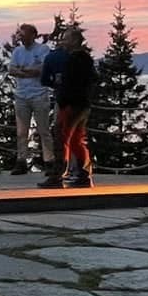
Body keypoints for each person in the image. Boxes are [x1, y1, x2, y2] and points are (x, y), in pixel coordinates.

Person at [40, 24, 98, 189]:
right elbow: (93, 79)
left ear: (74, 41)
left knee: (61, 137)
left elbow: (71, 83)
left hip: (71, 104)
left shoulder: (75, 59)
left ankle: (57, 175)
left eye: (65, 38)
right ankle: (83, 174)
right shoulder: (85, 59)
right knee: (76, 140)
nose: (62, 41)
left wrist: (63, 96)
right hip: (82, 104)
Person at [6, 23, 56, 178]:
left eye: (25, 34)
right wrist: (29, 71)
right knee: (21, 131)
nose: (22, 37)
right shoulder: (17, 51)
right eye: (20, 35)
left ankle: (49, 162)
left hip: (39, 95)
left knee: (43, 130)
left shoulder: (42, 50)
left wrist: (24, 71)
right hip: (21, 96)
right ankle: (21, 161)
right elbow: (11, 69)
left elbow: (43, 68)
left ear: (33, 35)